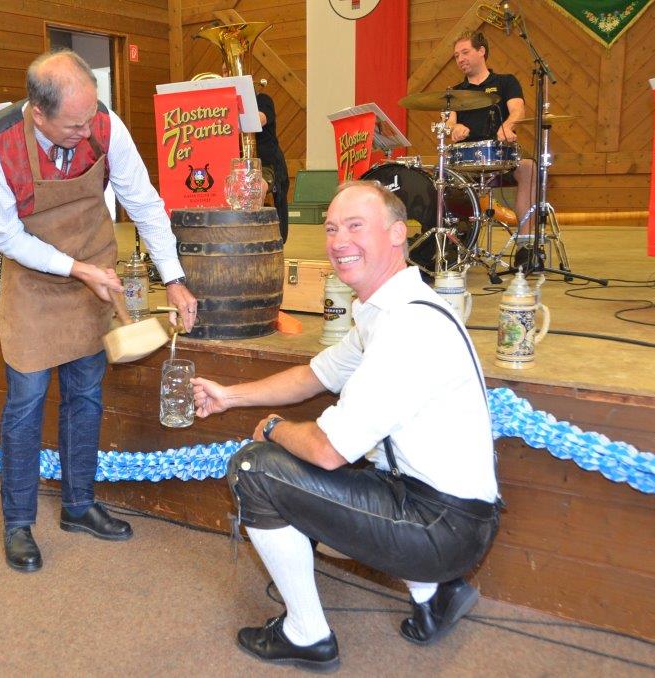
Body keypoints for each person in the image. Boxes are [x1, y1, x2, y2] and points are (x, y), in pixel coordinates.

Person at [192, 181, 500, 670]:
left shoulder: (407, 327)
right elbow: (314, 375)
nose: (339, 241)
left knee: (256, 469)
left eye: (356, 226)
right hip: (447, 514)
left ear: (397, 234)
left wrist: (272, 429)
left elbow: (328, 450)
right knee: (312, 464)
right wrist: (229, 396)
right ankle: (435, 594)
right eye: (332, 229)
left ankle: (306, 636)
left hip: (441, 525)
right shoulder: (388, 310)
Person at [0, 50, 198, 573]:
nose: (86, 129)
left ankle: (78, 506)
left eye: (91, 116)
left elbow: (143, 201)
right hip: (34, 282)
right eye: (73, 125)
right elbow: (4, 235)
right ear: (38, 112)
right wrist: (74, 269)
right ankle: (18, 522)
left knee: (86, 395)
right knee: (26, 402)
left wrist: (174, 277)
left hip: (94, 275)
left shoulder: (103, 124)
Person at [449, 31, 536, 255]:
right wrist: (454, 128)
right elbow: (449, 123)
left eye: (465, 52)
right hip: (466, 158)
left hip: (500, 153)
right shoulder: (455, 92)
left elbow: (518, 110)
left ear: (481, 51)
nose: (460, 59)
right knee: (442, 175)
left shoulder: (506, 82)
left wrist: (507, 126)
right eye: (457, 56)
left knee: (529, 167)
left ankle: (525, 245)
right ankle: (459, 241)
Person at [256, 90, 290, 242]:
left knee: (257, 188)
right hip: (236, 163)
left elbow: (258, 120)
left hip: (267, 164)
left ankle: (253, 237)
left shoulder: (262, 99)